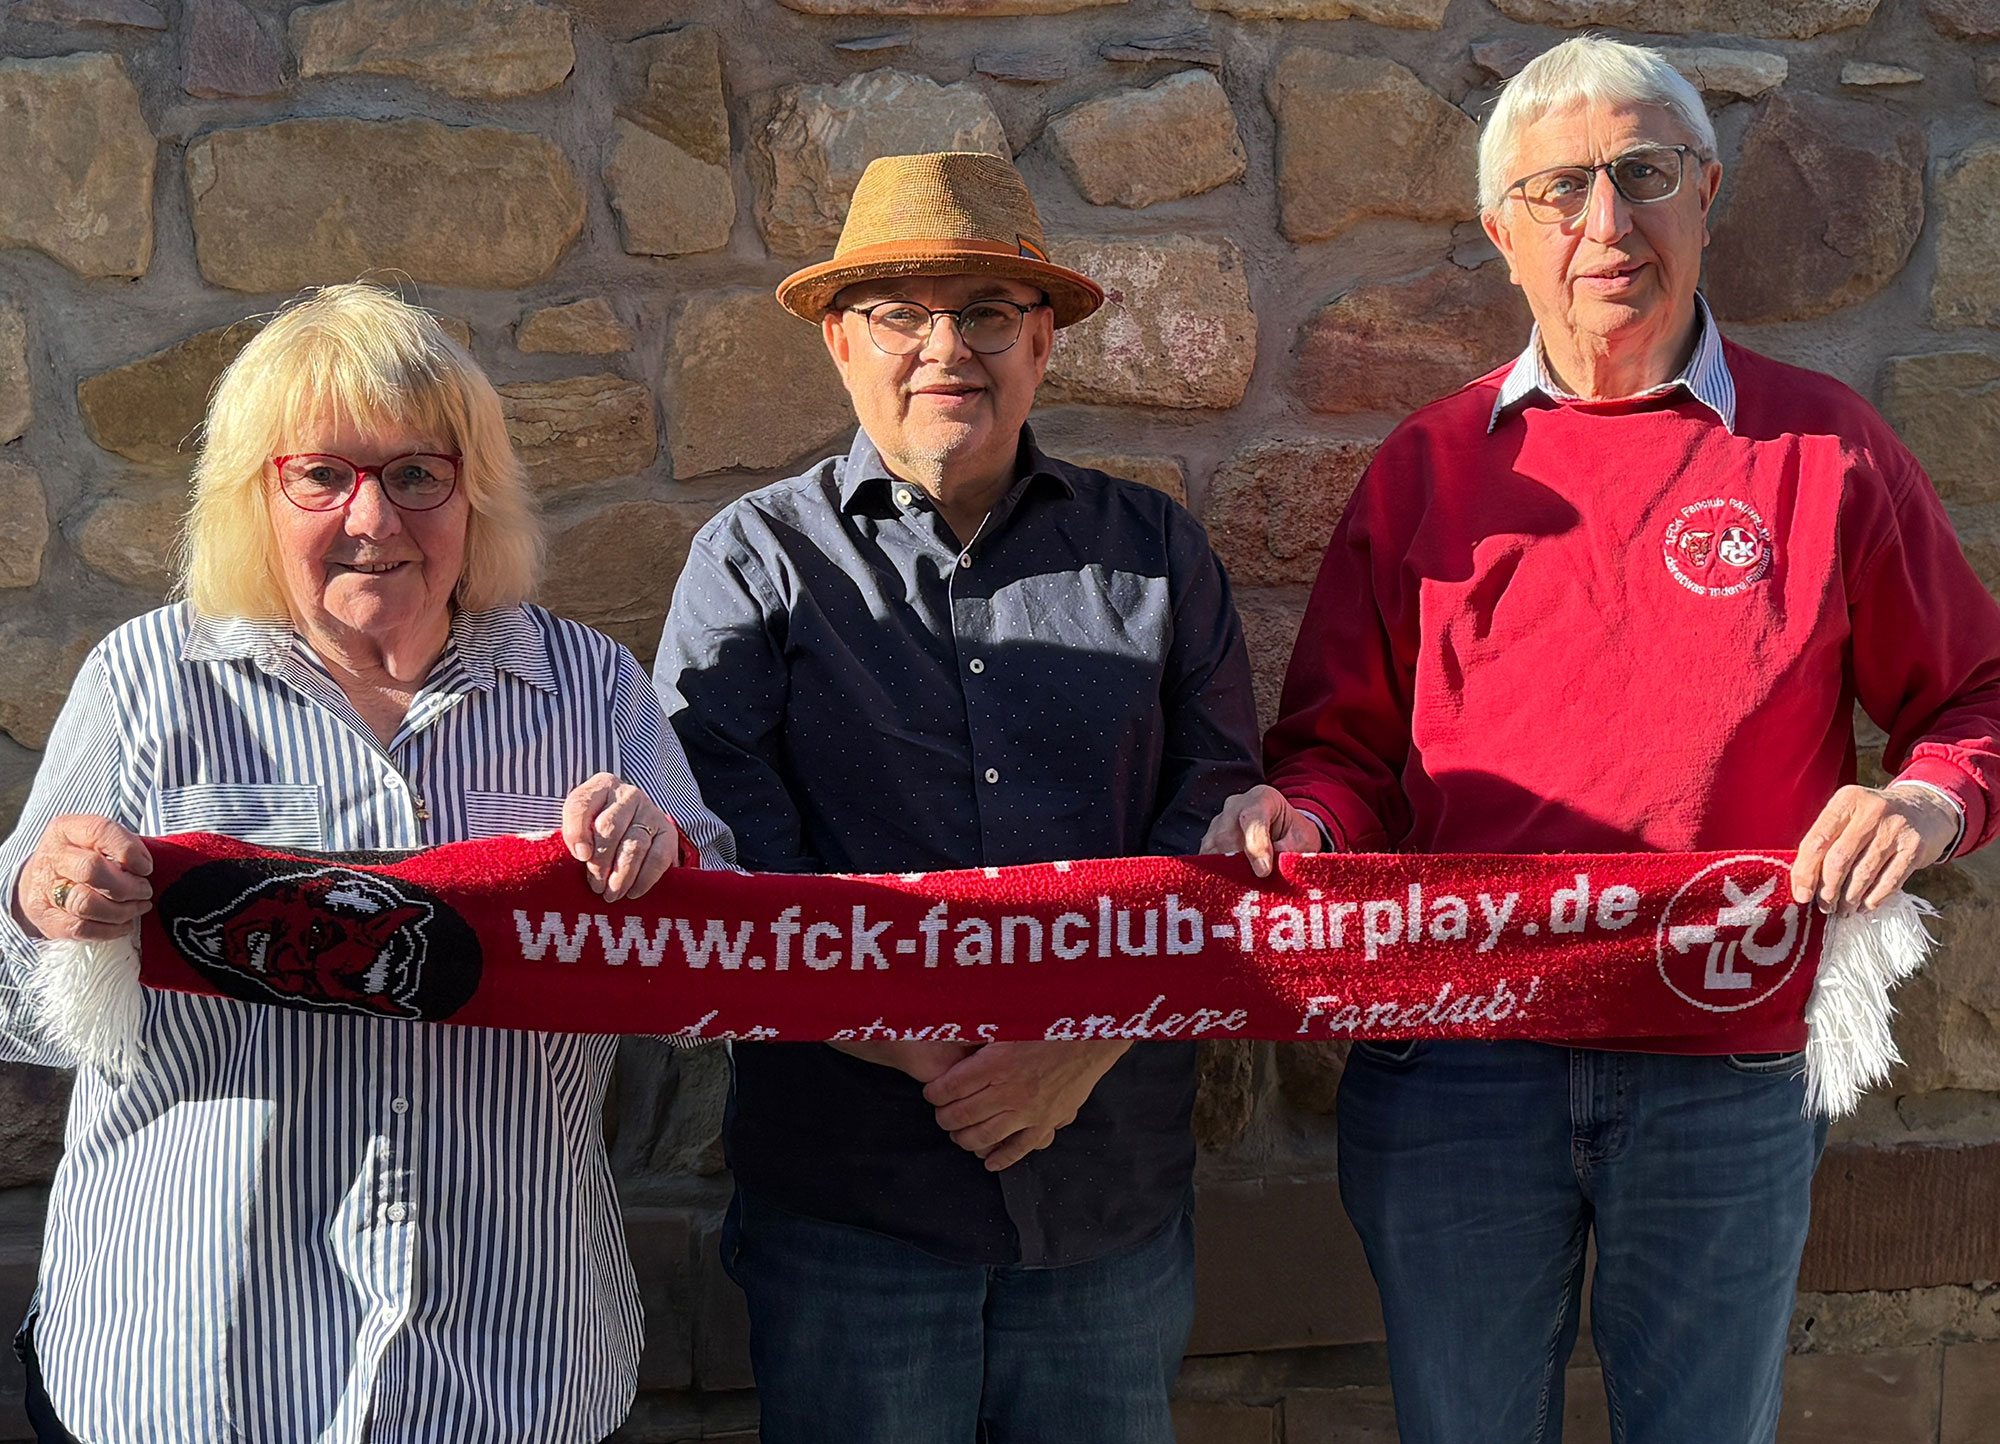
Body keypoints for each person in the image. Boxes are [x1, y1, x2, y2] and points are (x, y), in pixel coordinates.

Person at [1203, 36, 2000, 1444]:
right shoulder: (1428, 466)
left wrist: (1929, 799)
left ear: (1706, 193)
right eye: (1559, 189)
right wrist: (1303, 819)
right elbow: (1343, 753)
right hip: (1456, 1061)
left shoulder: (1827, 451)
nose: (1607, 223)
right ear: (1502, 232)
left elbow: (1974, 699)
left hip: (1724, 1061)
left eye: (1643, 174)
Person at [0, 283, 733, 1443]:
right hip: (195, 1365)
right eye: (322, 475)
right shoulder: (147, 684)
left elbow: (720, 964)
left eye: (415, 473)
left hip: (503, 1364)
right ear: (255, 493)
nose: (373, 517)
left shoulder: (588, 687)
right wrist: (50, 902)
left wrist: (665, 861)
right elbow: (14, 1001)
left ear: (472, 488)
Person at [656, 151, 1262, 1443]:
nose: (946, 349)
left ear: (1041, 341)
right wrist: (920, 1047)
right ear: (840, 343)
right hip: (852, 1197)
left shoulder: (1153, 552)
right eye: (900, 314)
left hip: (1107, 1188)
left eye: (985, 311)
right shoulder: (753, 562)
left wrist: (1074, 1046)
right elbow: (729, 863)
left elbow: (1212, 819)